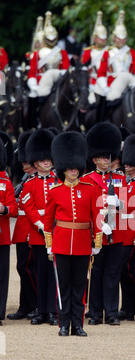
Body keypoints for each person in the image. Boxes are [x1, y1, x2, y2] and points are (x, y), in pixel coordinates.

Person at [44, 131, 102, 336]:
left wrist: (97, 242)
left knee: (79, 287)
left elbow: (97, 218)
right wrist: (49, 243)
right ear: (63, 169)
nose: (73, 170)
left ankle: (77, 325)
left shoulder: (90, 189)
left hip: (82, 244)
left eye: (76, 167)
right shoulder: (55, 191)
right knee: (63, 287)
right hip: (61, 243)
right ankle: (63, 324)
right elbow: (48, 221)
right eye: (69, 168)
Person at [83, 122, 127, 325]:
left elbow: (128, 208)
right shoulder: (88, 180)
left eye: (109, 156)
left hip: (116, 232)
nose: (107, 160)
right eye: (103, 157)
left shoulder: (120, 179)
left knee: (112, 273)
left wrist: (118, 203)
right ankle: (94, 312)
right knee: (97, 273)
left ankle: (111, 312)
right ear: (94, 159)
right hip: (97, 234)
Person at [21, 128, 58, 325]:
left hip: (56, 231)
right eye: (42, 160)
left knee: (53, 273)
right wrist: (41, 225)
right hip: (39, 233)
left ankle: (52, 310)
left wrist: (52, 224)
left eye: (48, 159)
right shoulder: (29, 184)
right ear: (35, 162)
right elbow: (29, 207)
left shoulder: (58, 181)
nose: (46, 162)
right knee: (40, 272)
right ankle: (42, 311)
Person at [8, 131, 38, 320]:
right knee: (22, 267)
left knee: (29, 268)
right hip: (21, 230)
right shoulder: (26, 179)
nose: (23, 163)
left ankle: (36, 304)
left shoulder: (41, 180)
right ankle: (25, 305)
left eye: (26, 161)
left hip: (33, 230)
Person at [117, 134, 135, 321]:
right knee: (121, 270)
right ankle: (128, 309)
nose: (125, 165)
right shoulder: (124, 182)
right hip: (122, 232)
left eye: (129, 162)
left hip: (134, 232)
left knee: (127, 268)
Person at [27, 11, 70, 128]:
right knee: (32, 96)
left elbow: (66, 69)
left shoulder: (62, 52)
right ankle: (33, 123)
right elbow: (32, 72)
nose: (51, 40)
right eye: (49, 38)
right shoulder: (37, 54)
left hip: (58, 81)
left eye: (53, 37)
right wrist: (34, 86)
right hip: (42, 84)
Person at [96, 10, 135, 102]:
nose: (122, 41)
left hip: (129, 83)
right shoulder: (107, 52)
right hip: (112, 84)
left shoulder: (131, 52)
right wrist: (104, 88)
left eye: (124, 39)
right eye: (119, 38)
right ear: (114, 38)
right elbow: (101, 72)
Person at [0, 137, 18, 325]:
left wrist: (3, 209)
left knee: (1, 277)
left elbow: (13, 208)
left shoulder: (5, 181)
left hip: (1, 237)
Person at [81, 11, 109, 106]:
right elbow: (83, 68)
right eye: (101, 38)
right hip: (92, 83)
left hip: (107, 81)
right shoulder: (88, 52)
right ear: (95, 38)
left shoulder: (110, 51)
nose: (103, 40)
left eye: (105, 38)